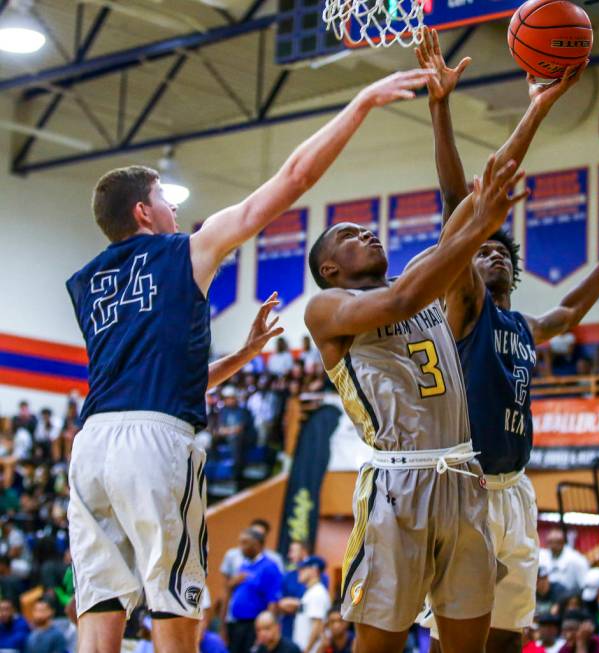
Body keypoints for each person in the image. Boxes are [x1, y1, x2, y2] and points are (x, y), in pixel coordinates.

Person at [63, 67, 434, 653]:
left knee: (101, 605)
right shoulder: (185, 250)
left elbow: (156, 379)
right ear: (142, 212)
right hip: (155, 444)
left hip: (92, 446)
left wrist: (244, 354)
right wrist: (360, 103)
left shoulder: (85, 282)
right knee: (174, 600)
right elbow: (292, 178)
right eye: (163, 196)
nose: (173, 208)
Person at [414, 27, 599, 653]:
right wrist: (440, 107)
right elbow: (460, 201)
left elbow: (566, 311)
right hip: (466, 486)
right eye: (479, 252)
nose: (493, 256)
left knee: (510, 634)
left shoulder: (522, 327)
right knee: (458, 637)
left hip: (517, 489)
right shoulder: (467, 310)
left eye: (501, 250)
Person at [306, 116, 527, 650]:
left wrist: (537, 104)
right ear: (331, 269)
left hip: (462, 475)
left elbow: (464, 203)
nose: (366, 232)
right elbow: (402, 301)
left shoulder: (426, 277)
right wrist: (477, 228)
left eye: (365, 228)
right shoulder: (329, 307)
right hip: (399, 486)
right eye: (349, 237)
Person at [227, 529, 282, 653]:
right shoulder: (244, 565)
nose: (240, 547)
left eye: (244, 543)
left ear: (256, 544)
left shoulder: (269, 567)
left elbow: (273, 599)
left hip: (254, 626)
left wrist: (266, 630)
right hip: (237, 623)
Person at [289, 556, 330, 653]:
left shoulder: (317, 592)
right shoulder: (311, 591)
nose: (299, 572)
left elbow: (318, 625)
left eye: (303, 569)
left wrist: (306, 650)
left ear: (314, 570)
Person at [539, 530, 590, 595]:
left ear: (562, 543)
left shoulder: (576, 559)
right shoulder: (543, 556)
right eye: (549, 542)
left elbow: (584, 586)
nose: (550, 546)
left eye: (553, 543)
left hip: (571, 599)